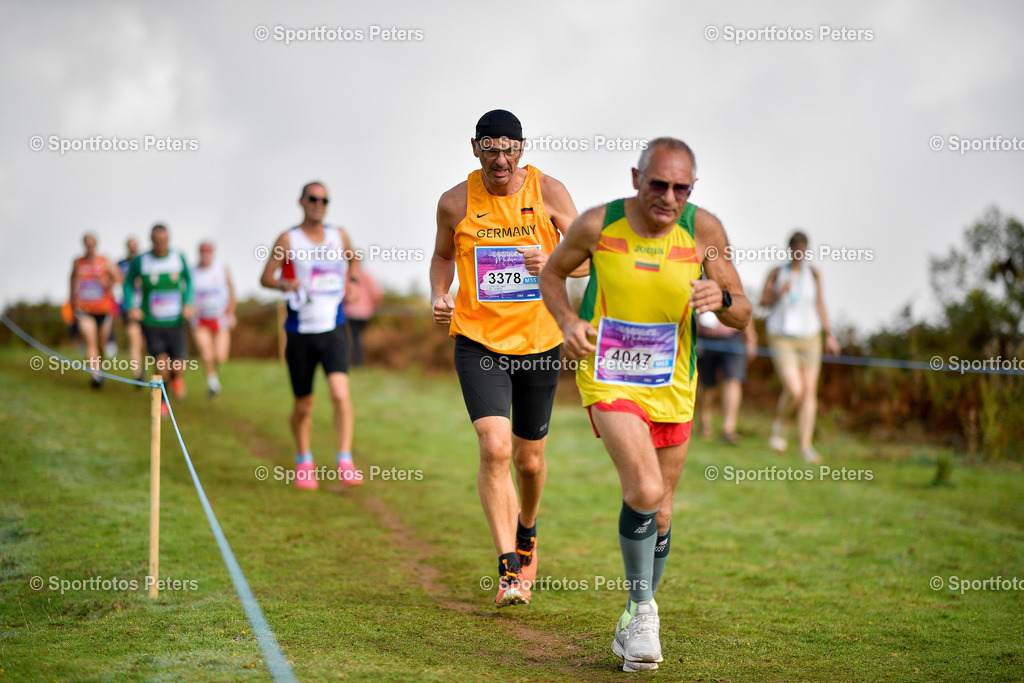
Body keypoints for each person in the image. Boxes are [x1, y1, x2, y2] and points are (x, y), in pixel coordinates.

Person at [540, 137, 752, 671]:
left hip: (674, 383)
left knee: (661, 510)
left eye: (681, 188)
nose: (668, 197)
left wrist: (720, 299)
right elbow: (551, 272)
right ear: (636, 178)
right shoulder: (597, 225)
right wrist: (568, 323)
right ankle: (643, 612)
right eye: (658, 184)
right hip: (608, 376)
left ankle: (633, 617)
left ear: (692, 190)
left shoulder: (703, 230)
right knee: (645, 488)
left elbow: (743, 312)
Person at [430, 109, 585, 607]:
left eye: (509, 149)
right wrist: (440, 292)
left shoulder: (549, 192)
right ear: (475, 148)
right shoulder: (455, 202)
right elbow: (441, 255)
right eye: (491, 148)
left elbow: (587, 256)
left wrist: (554, 262)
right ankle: (508, 567)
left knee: (529, 460)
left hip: (540, 342)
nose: (501, 159)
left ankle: (528, 529)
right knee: (494, 447)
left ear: (522, 149)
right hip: (478, 340)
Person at [260, 181, 363, 490]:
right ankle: (303, 459)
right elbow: (266, 277)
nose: (319, 204)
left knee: (340, 394)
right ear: (302, 202)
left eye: (324, 200)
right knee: (304, 406)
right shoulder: (288, 238)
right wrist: (284, 284)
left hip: (333, 328)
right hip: (300, 333)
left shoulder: (338, 235)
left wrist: (353, 281)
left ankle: (344, 458)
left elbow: (354, 259)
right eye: (313, 199)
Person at [759, 231, 841, 463]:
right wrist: (778, 292)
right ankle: (779, 427)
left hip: (810, 337)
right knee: (795, 389)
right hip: (781, 335)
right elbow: (763, 302)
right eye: (796, 248)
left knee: (809, 392)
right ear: (790, 249)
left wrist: (829, 334)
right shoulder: (777, 273)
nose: (799, 252)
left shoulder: (813, 274)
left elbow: (819, 303)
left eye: (803, 249)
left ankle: (805, 446)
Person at [124, 224, 193, 414]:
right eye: (157, 241)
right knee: (161, 363)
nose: (161, 245)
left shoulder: (178, 257)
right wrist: (131, 306)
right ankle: (163, 400)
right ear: (151, 241)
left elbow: (190, 280)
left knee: (178, 366)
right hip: (152, 323)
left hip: (176, 322)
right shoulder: (141, 261)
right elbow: (128, 283)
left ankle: (177, 378)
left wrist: (188, 302)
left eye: (165, 241)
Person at [696, 309, 757, 444]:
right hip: (704, 336)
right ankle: (704, 423)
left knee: (733, 379)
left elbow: (744, 307)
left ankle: (728, 429)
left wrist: (750, 337)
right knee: (707, 383)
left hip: (732, 336)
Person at [69, 233, 123, 388]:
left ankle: (101, 368)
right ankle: (96, 375)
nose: (90, 248)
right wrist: (72, 297)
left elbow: (120, 278)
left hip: (103, 310)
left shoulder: (105, 261)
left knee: (101, 345)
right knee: (90, 340)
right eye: (87, 245)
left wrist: (108, 282)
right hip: (84, 309)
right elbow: (72, 279)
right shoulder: (78, 262)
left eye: (92, 245)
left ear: (96, 245)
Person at [190, 241, 236, 396]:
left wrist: (231, 312)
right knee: (206, 353)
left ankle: (213, 370)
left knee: (221, 356)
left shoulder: (221, 269)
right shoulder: (192, 272)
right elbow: (186, 293)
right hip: (200, 319)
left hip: (219, 317)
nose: (205, 256)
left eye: (208, 252)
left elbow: (231, 291)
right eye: (203, 252)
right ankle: (212, 383)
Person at [117, 237, 145, 382]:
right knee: (134, 339)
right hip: (128, 308)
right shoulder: (120, 264)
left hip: (147, 308)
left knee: (145, 342)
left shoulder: (145, 263)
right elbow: (117, 282)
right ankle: (138, 373)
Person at [344, 267, 384, 367]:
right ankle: (357, 363)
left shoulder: (347, 276)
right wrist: (374, 308)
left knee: (352, 337)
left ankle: (354, 363)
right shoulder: (367, 276)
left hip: (351, 313)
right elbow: (378, 294)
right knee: (357, 337)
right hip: (365, 314)